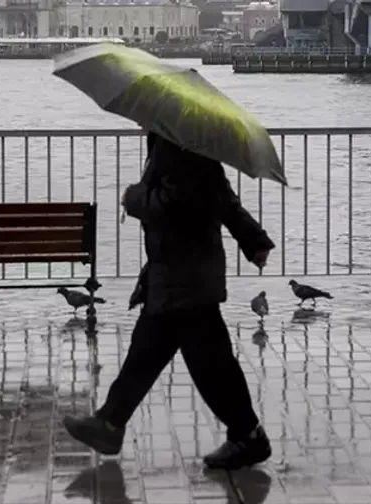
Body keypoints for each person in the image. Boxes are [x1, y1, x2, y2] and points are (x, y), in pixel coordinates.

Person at [63, 132, 275, 470]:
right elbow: (221, 197)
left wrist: (134, 197)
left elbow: (176, 203)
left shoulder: (180, 146)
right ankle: (110, 424)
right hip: (178, 274)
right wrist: (253, 239)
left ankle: (247, 436)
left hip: (185, 276)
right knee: (152, 351)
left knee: (209, 366)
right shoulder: (186, 143)